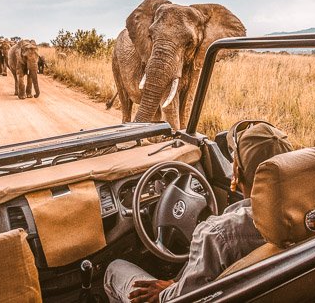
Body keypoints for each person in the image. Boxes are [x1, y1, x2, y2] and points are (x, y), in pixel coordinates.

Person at [104, 121, 293, 303]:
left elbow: (181, 299)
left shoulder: (218, 234)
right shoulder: (309, 216)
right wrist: (175, 283)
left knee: (114, 269)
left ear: (236, 174)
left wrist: (164, 293)